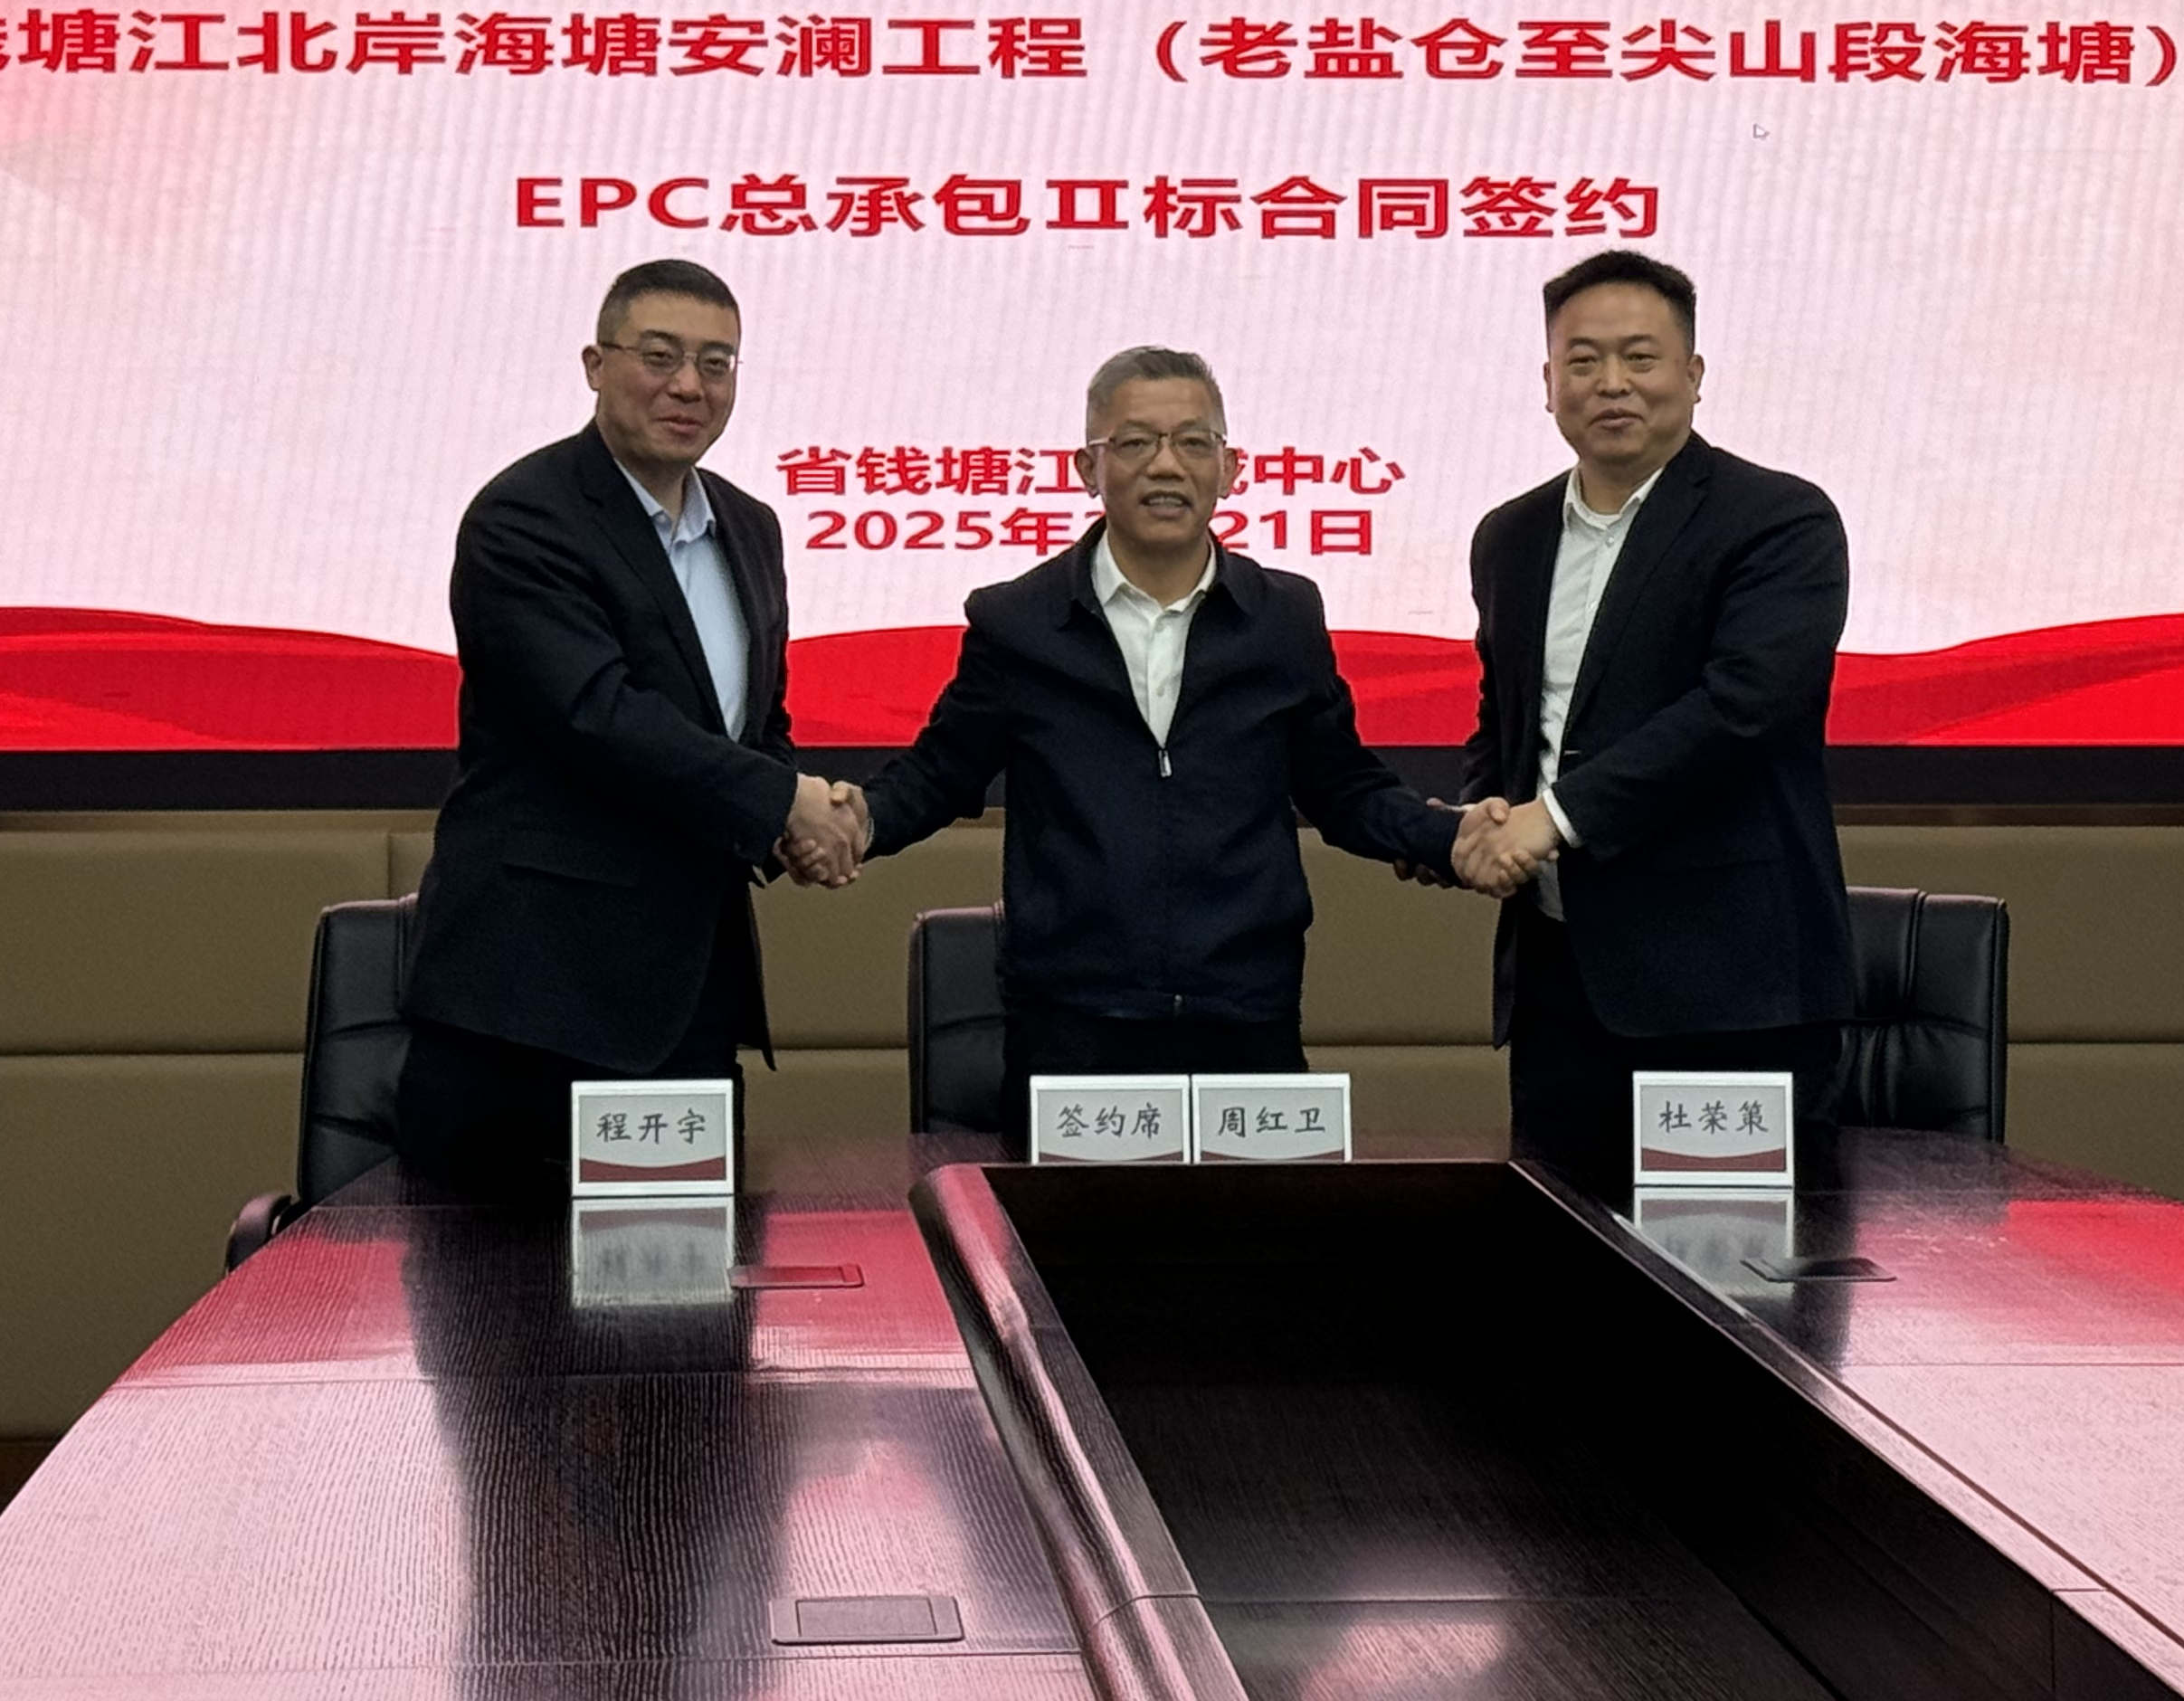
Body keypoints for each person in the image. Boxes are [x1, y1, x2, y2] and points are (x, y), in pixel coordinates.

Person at [861, 345, 1457, 1125]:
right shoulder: (1019, 622)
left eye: (1193, 442)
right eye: (1136, 442)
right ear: (1088, 467)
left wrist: (1451, 839)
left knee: (1257, 1213)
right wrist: (844, 825)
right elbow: (938, 775)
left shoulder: (1282, 619)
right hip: (1072, 1026)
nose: (1166, 465)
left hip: (1246, 1018)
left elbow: (1343, 787)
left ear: (1230, 468)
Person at [397, 257, 869, 1195]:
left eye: (716, 363)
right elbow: (595, 716)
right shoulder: (525, 516)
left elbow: (752, 722)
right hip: (531, 999)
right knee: (493, 1281)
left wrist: (791, 820)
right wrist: (785, 800)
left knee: (677, 1265)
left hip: (686, 993)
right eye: (660, 356)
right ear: (596, 364)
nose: (689, 385)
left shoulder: (750, 527)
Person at [1440, 251, 1857, 1181]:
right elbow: (1511, 719)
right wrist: (1479, 821)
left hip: (1729, 990)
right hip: (1559, 984)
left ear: (1694, 374)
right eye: (1583, 361)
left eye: (1641, 357)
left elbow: (1742, 710)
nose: (1612, 383)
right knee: (1560, 1253)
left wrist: (1553, 819)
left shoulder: (1777, 520)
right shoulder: (1510, 537)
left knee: (1734, 1257)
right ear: (1549, 382)